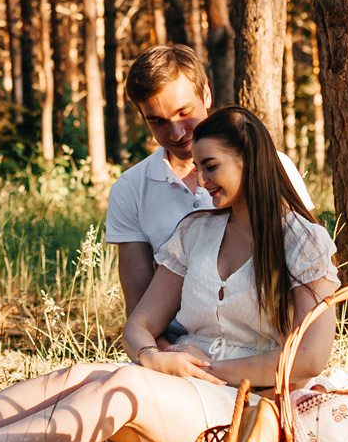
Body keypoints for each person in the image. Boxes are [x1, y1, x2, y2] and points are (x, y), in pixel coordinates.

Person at [0, 107, 340, 442]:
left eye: (211, 166)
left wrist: (207, 371)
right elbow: (140, 323)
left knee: (125, 388)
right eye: (199, 166)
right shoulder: (198, 231)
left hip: (247, 406)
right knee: (81, 374)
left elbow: (310, 358)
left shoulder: (301, 241)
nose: (202, 179)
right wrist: (153, 356)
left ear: (249, 159)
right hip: (181, 384)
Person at [106, 44, 313, 334]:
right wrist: (160, 353)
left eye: (184, 112)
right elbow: (139, 310)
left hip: (264, 340)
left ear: (206, 94)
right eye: (158, 121)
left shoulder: (272, 167)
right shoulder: (129, 190)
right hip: (178, 345)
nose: (177, 132)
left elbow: (309, 265)